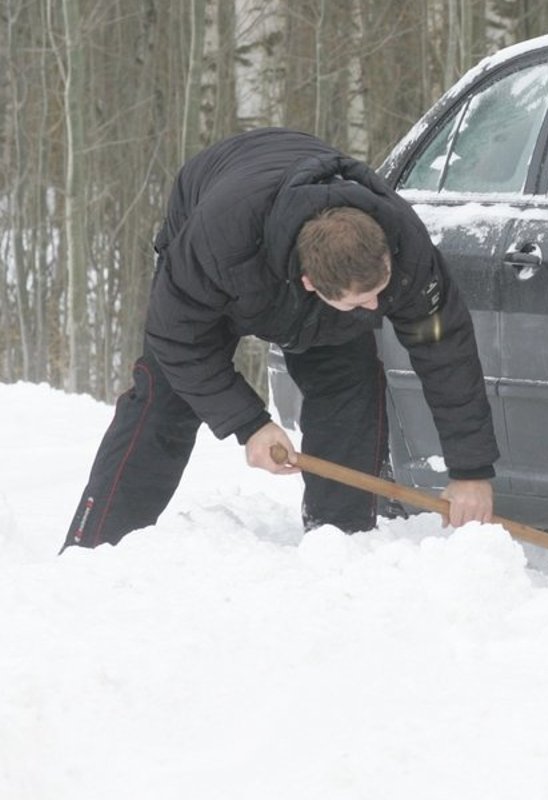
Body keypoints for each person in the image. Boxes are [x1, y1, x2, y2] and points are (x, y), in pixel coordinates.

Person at [63, 128, 500, 551]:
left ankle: (339, 541)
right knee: (167, 397)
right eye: (363, 300)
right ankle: (98, 547)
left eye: (380, 293)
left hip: (290, 227)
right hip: (227, 225)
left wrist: (471, 470)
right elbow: (177, 339)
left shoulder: (407, 251)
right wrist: (249, 424)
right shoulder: (217, 243)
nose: (377, 307)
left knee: (350, 384)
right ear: (311, 285)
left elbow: (446, 352)